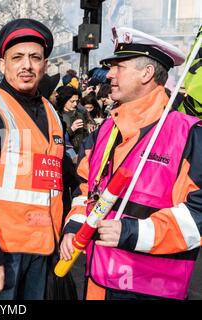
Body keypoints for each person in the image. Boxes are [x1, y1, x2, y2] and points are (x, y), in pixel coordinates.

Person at [60, 27, 202, 300]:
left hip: (152, 288)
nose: (109, 74)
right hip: (99, 281)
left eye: (118, 67)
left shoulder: (189, 135)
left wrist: (133, 232)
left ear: (146, 73)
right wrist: (75, 228)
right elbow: (84, 191)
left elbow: (197, 217)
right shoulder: (104, 132)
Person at [0, 19, 77, 300]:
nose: (27, 65)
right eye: (17, 57)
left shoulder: (51, 111)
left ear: (45, 64)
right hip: (5, 253)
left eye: (35, 57)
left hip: (46, 249)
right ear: (2, 64)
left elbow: (62, 176)